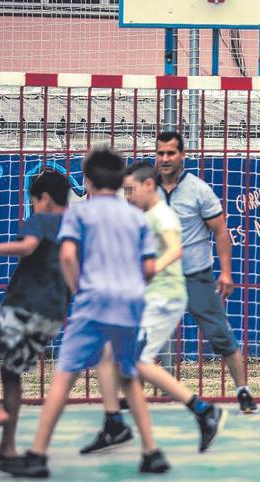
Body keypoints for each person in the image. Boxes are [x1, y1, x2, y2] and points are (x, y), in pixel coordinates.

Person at [0, 147, 169, 478]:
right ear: (122, 181)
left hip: (93, 302)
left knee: (64, 376)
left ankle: (36, 455)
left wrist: (79, 290)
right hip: (130, 303)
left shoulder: (79, 214)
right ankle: (152, 452)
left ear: (87, 181)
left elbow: (66, 257)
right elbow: (148, 267)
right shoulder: (136, 216)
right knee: (129, 376)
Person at [80, 161, 226, 455]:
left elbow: (175, 248)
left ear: (149, 186)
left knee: (137, 363)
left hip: (163, 300)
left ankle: (202, 409)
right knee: (112, 357)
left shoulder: (162, 215)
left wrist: (152, 269)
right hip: (150, 299)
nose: (128, 196)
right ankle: (115, 423)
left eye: (131, 190)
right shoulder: (146, 217)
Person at [0, 170, 71, 461]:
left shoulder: (41, 219)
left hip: (25, 306)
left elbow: (27, 246)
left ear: (44, 199)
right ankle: (7, 447)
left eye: (33, 201)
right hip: (53, 315)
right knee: (11, 373)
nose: (33, 206)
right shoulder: (75, 226)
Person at [154, 131, 257, 413]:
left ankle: (243, 390)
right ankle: (133, 393)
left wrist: (225, 272)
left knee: (220, 335)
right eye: (160, 153)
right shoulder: (148, 190)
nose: (165, 159)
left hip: (195, 275)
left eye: (171, 153)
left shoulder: (198, 189)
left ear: (182, 155)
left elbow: (221, 230)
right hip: (159, 278)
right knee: (140, 335)